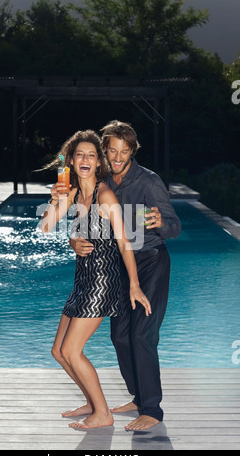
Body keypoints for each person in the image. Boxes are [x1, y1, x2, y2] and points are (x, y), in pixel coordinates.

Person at [70, 121, 181, 431]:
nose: (118, 157)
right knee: (119, 336)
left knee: (141, 335)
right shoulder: (101, 180)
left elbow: (174, 226)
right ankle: (138, 395)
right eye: (112, 151)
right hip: (119, 266)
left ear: (133, 151)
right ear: (105, 150)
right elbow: (82, 220)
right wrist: (74, 240)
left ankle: (152, 409)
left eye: (125, 152)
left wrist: (160, 221)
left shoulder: (148, 182)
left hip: (151, 263)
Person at [40, 129, 151, 430]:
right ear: (72, 161)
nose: (85, 159)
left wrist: (134, 284)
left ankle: (102, 413)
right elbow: (46, 226)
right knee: (58, 351)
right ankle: (91, 401)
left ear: (98, 161)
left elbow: (125, 241)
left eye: (91, 154)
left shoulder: (105, 195)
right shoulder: (73, 193)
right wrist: (55, 201)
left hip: (103, 282)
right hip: (83, 279)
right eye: (80, 155)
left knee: (72, 351)